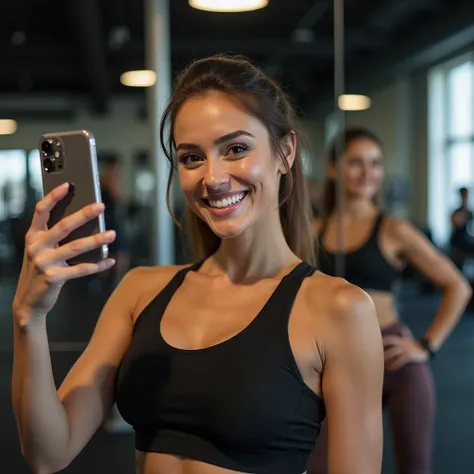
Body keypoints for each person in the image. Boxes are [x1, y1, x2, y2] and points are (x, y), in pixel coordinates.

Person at [11, 55, 384, 474]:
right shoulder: (141, 291)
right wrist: (30, 317)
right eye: (191, 158)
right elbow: (47, 453)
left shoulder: (339, 310)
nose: (213, 178)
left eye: (236, 149)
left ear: (285, 152)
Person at [309, 126, 472, 474]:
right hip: (335, 364)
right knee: (322, 467)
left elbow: (458, 286)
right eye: (357, 162)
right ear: (334, 168)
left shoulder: (394, 229)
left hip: (393, 358)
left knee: (414, 467)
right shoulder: (313, 231)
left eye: (376, 163)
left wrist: (426, 345)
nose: (368, 173)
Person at [450, 187, 474, 253]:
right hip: (457, 240)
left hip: (466, 239)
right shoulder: (456, 212)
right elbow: (457, 223)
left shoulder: (469, 212)